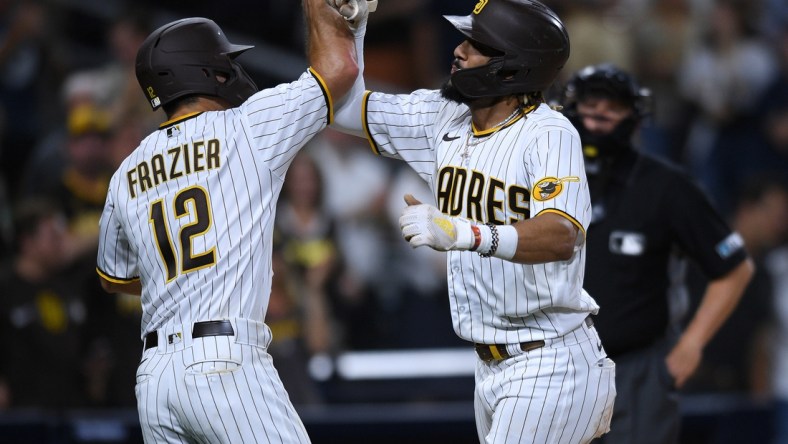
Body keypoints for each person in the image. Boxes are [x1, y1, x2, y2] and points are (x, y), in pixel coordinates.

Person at [330, 0, 616, 442]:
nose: (459, 50)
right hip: (489, 366)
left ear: (512, 67)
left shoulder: (549, 133)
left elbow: (562, 235)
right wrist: (350, 26)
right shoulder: (443, 116)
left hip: (550, 361)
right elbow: (344, 108)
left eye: (478, 44)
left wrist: (462, 232)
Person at [95, 1, 360, 442]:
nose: (230, 72)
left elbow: (112, 278)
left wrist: (181, 282)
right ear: (205, 72)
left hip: (155, 378)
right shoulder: (248, 127)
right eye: (223, 65)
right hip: (224, 361)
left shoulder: (126, 171)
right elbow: (339, 70)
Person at [559, 63, 755, 443]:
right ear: (569, 108)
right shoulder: (540, 178)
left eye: (612, 106)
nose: (599, 115)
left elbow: (735, 267)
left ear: (635, 116)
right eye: (590, 103)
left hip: (635, 368)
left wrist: (692, 343)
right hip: (553, 366)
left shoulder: (668, 187)